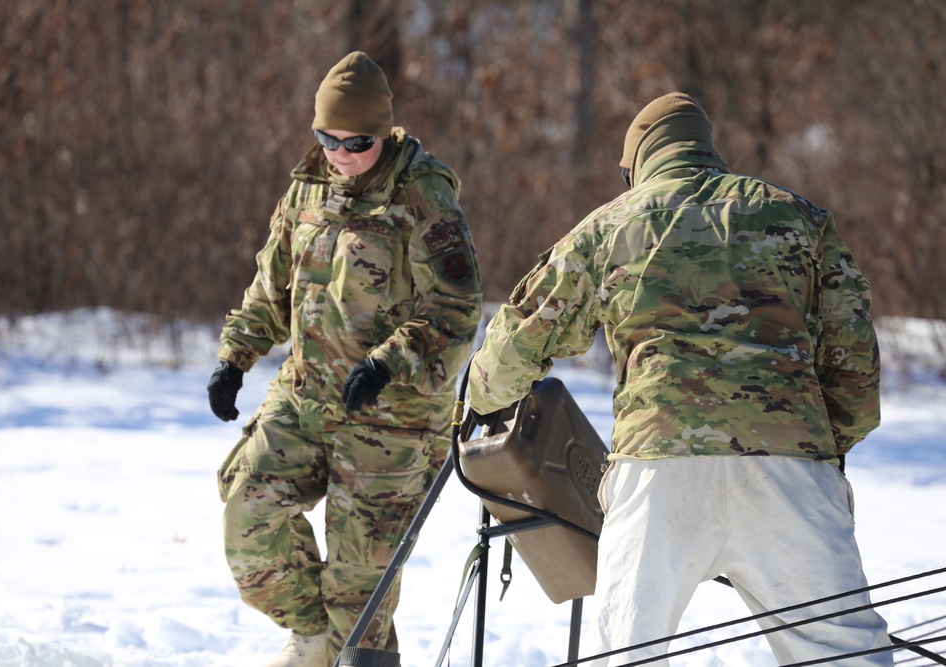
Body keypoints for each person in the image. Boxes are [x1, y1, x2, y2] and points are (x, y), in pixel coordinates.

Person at [467, 92, 891, 666]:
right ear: (704, 149)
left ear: (634, 166)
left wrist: (478, 399)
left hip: (656, 471)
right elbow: (856, 367)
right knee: (842, 652)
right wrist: (819, 450)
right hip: (789, 469)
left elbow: (515, 343)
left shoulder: (609, 226)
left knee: (625, 656)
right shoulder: (800, 217)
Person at [208, 51, 481, 667]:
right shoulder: (308, 183)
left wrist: (388, 362)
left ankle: (347, 653)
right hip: (307, 394)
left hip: (393, 419)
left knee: (362, 589)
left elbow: (458, 306)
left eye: (355, 142)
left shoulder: (423, 194)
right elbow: (271, 283)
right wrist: (236, 355)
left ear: (382, 132)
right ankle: (315, 644)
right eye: (325, 138)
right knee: (248, 512)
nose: (339, 154)